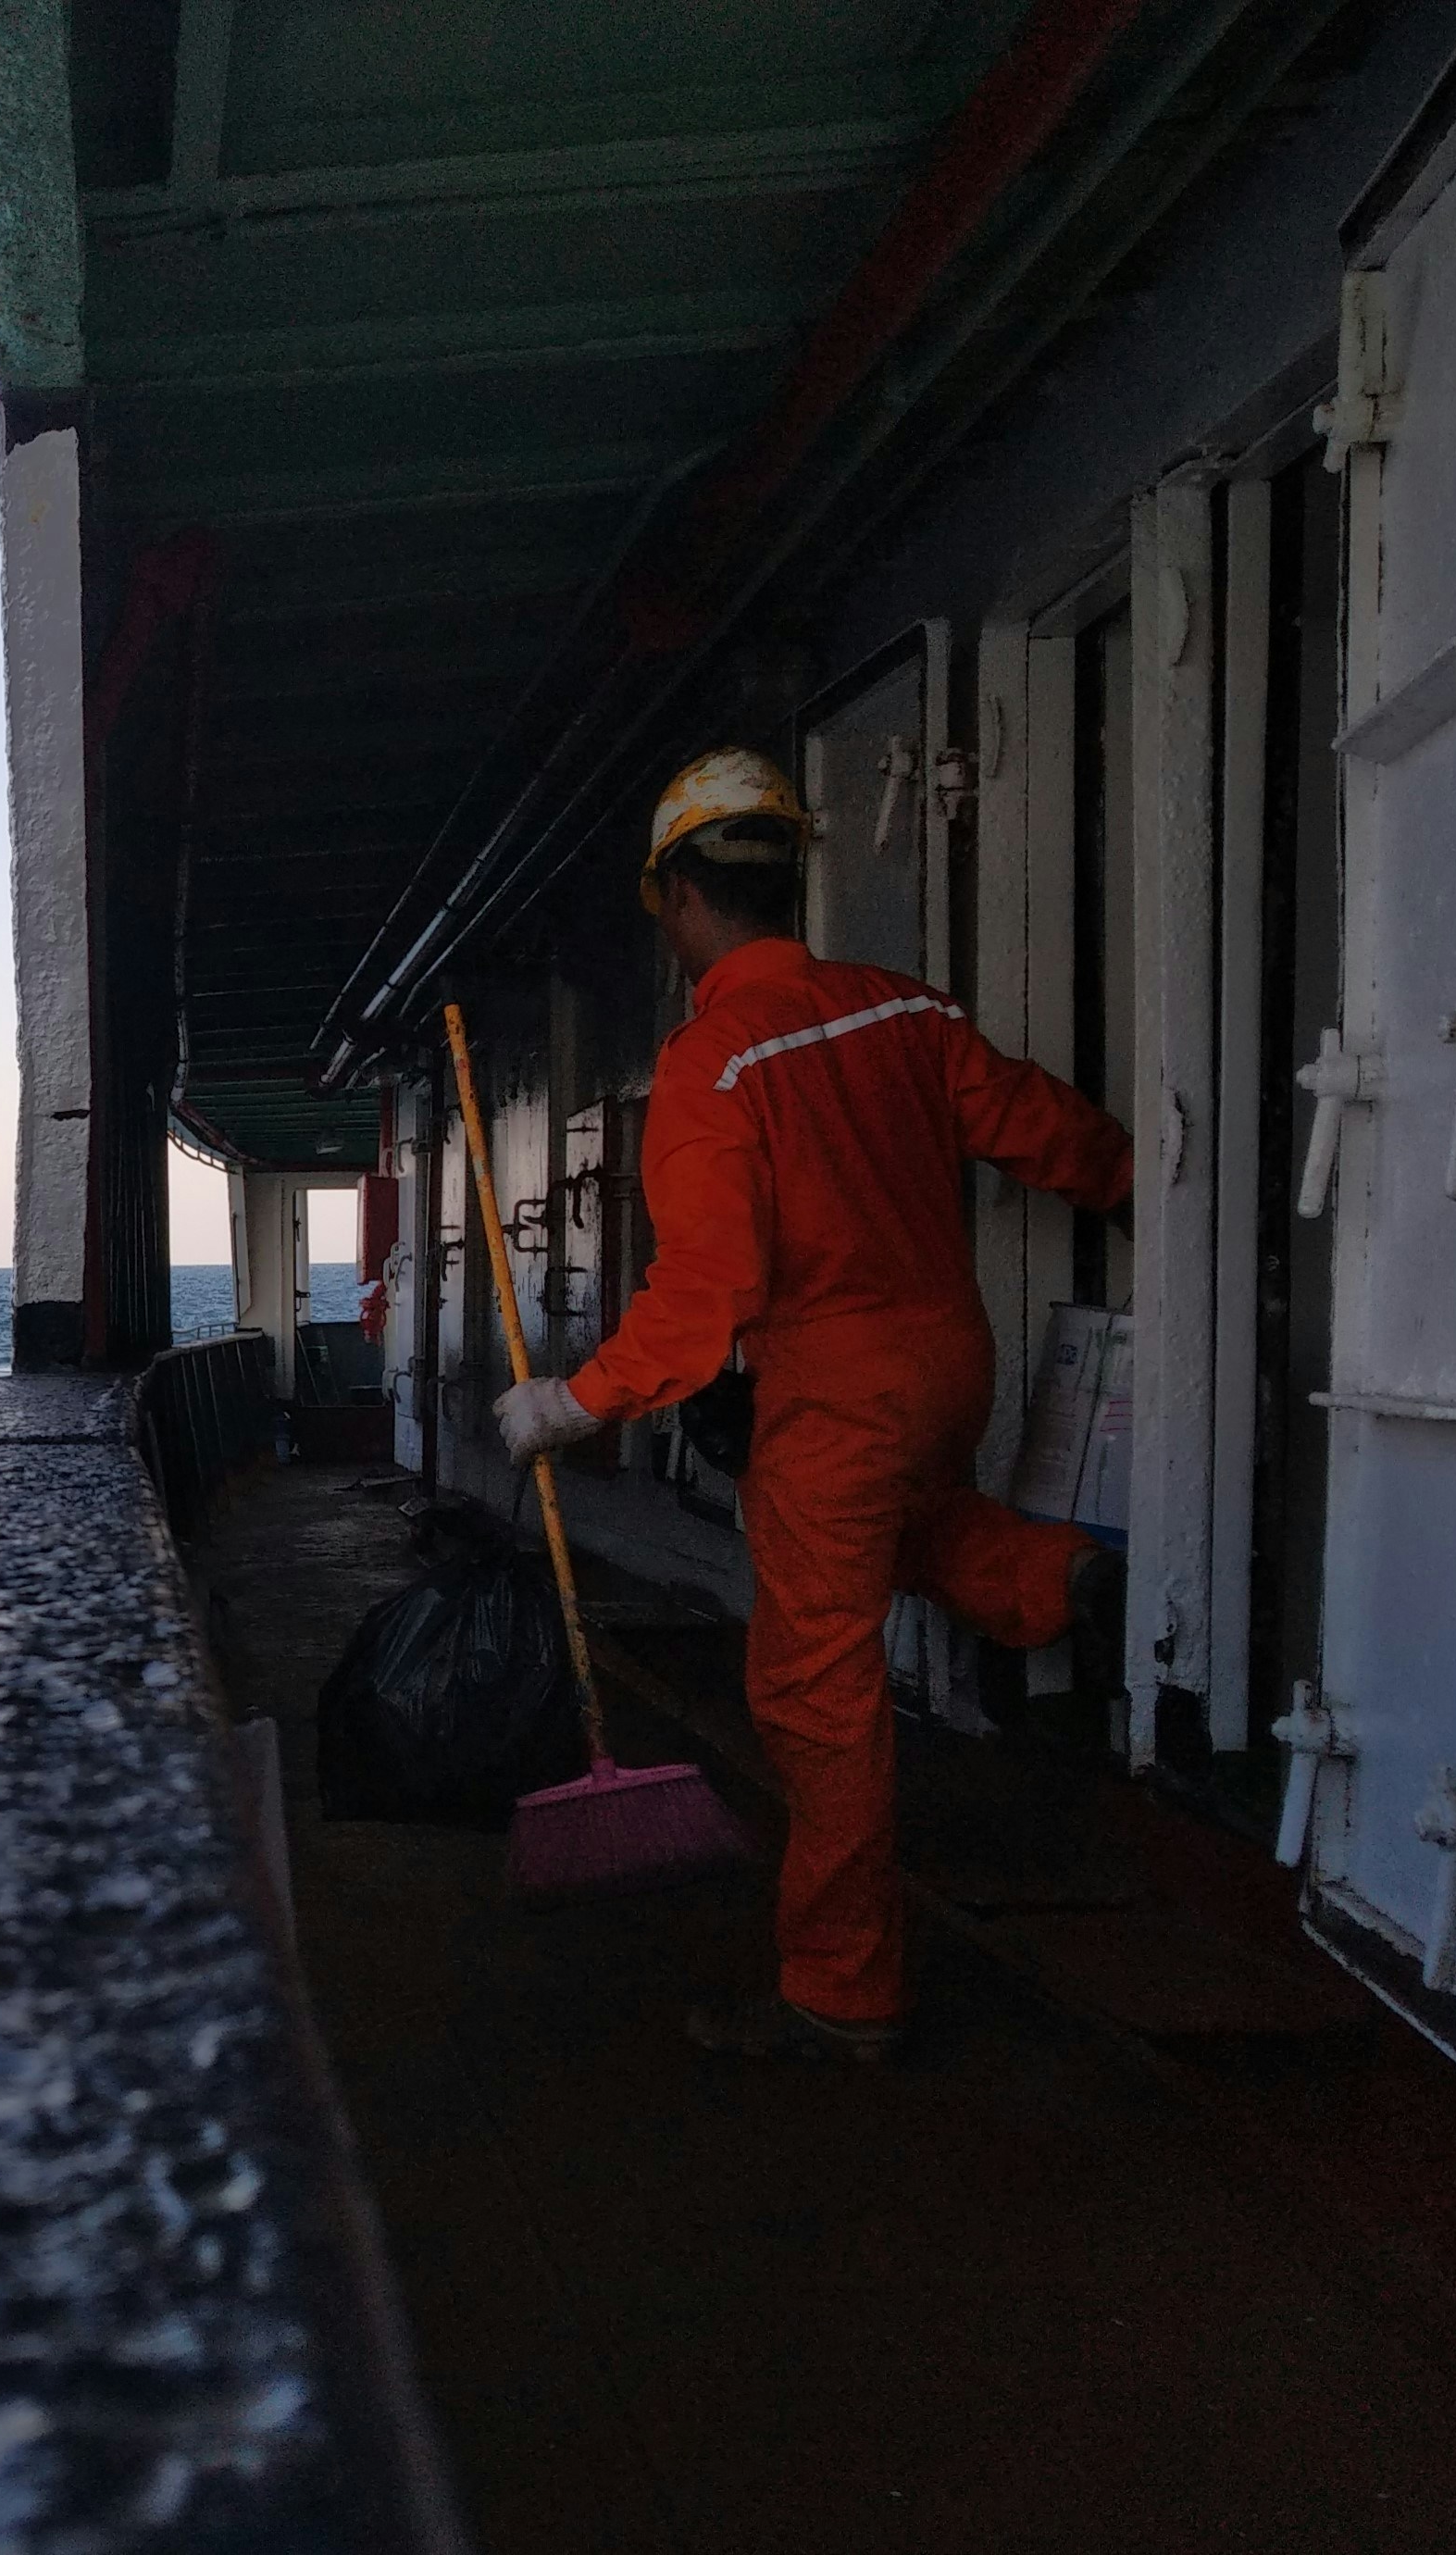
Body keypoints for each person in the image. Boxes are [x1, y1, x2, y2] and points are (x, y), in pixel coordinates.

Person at [492, 745, 1132, 2065]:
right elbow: (1041, 1128)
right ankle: (1049, 1579)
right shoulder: (903, 1012)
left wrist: (570, 1402)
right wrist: (1140, 1189)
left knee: (813, 1691)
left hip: (832, 1391)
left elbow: (705, 1291)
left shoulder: (710, 1062)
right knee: (913, 1527)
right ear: (787, 877)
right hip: (952, 1362)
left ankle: (840, 1995)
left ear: (675, 896)